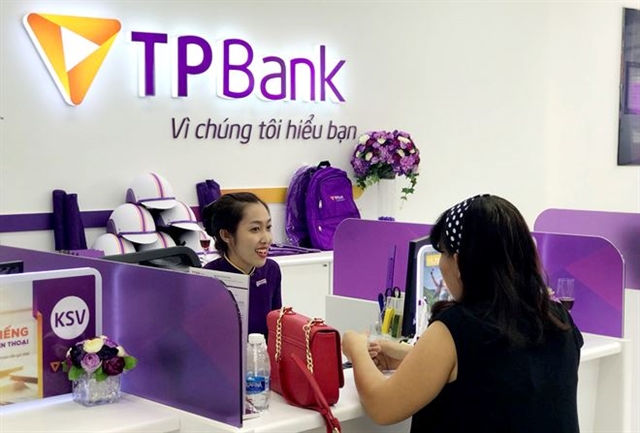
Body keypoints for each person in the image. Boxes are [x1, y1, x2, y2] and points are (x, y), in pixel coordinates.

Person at [342, 194, 583, 433]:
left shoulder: (458, 327)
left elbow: (382, 406)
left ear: (458, 263)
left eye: (443, 253)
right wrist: (409, 356)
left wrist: (357, 348)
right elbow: (493, 369)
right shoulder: (558, 318)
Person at [202, 192, 282, 338]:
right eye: (255, 229)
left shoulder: (271, 270)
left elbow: (277, 331)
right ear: (226, 235)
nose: (267, 239)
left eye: (268, 227)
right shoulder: (208, 280)